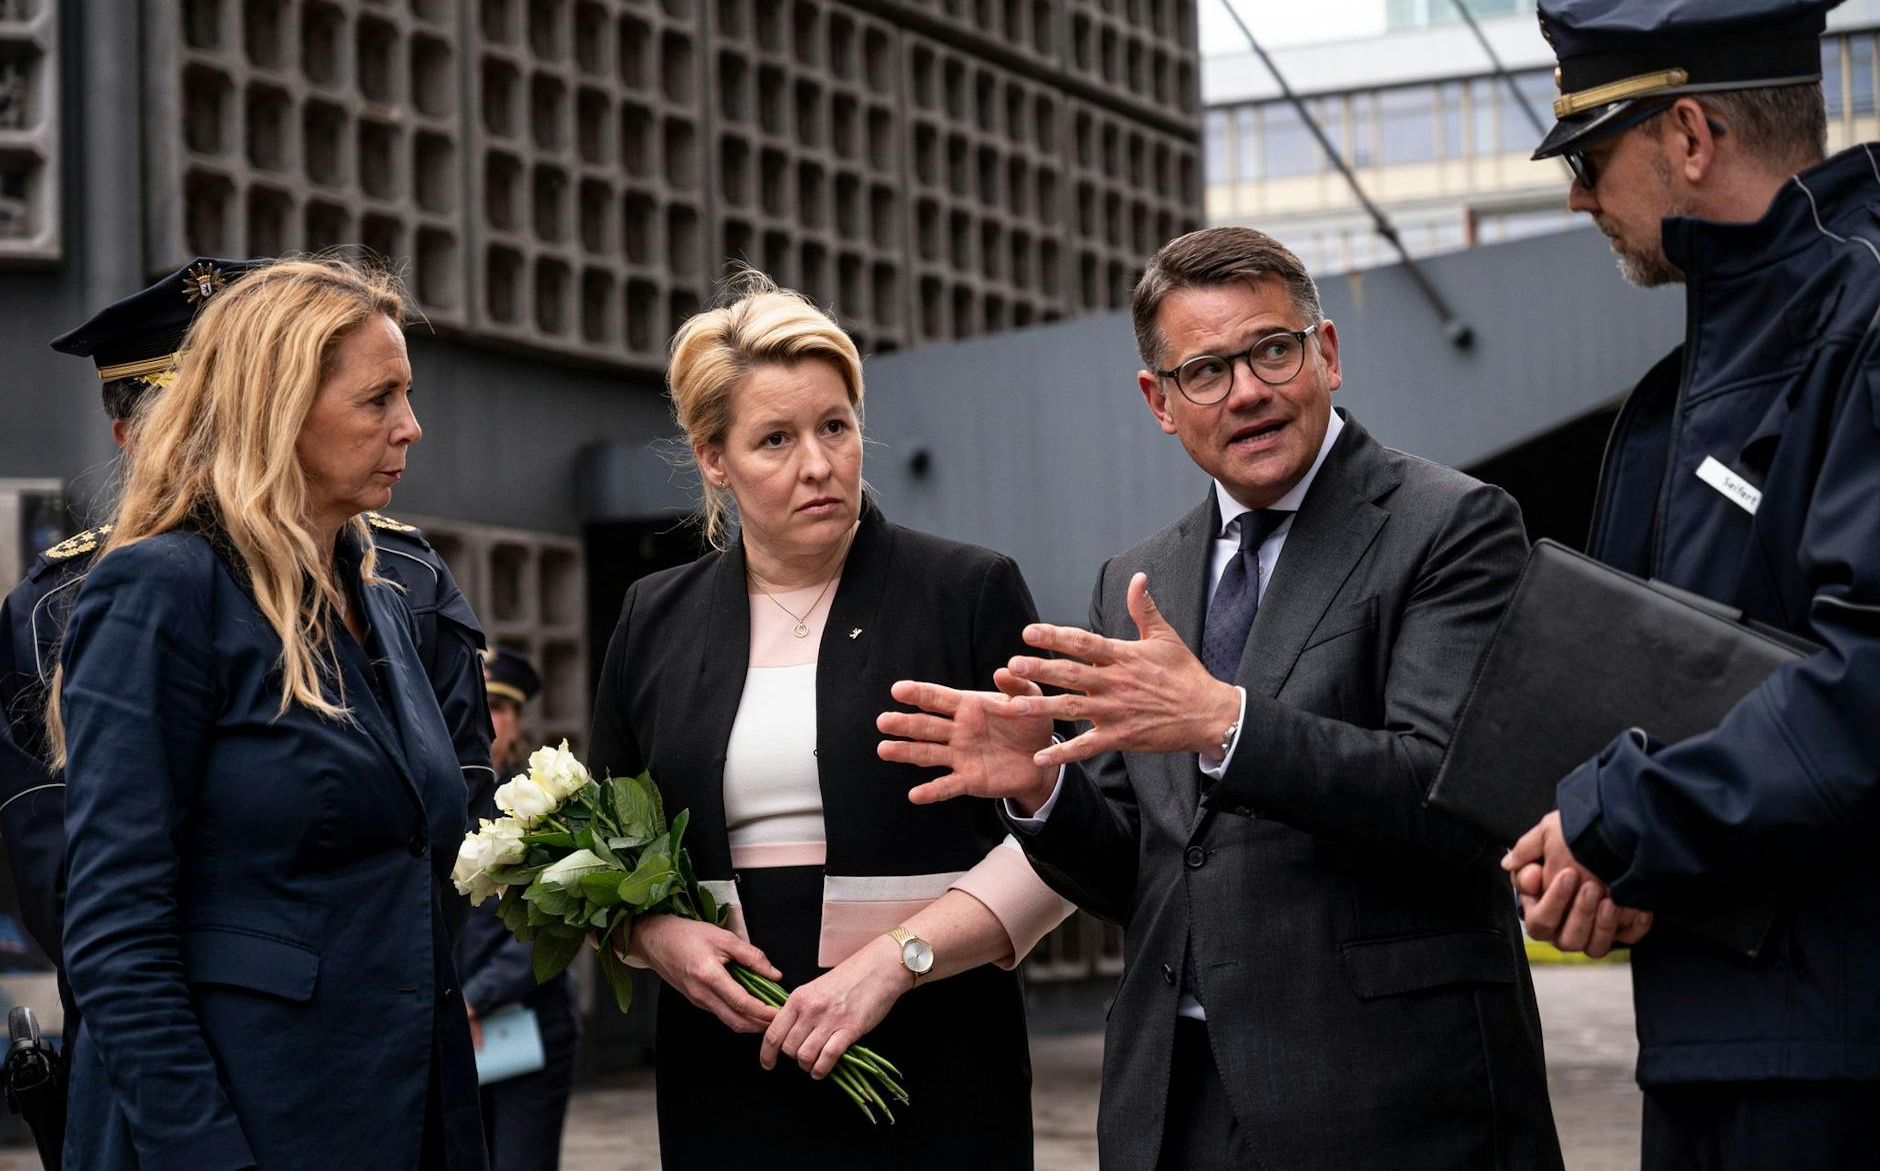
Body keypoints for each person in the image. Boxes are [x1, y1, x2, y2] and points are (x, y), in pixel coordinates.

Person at [880, 228, 1562, 1169]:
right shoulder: (1139, 577)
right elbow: (1139, 871)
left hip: (1391, 1099)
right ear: (1160, 402)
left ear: (1326, 353)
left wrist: (1223, 724)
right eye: (1205, 371)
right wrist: (1040, 793)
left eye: (1272, 350)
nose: (1246, 391)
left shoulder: (1452, 526)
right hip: (1176, 1103)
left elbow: (1449, 796)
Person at [1506, 0, 1880, 1168]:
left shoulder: (1858, 326)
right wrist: (1616, 844)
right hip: (1726, 1030)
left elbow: (1865, 680)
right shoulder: (1702, 378)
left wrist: (1619, 823)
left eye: (1589, 154)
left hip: (1838, 1052)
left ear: (1685, 134)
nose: (1574, 196)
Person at [587, 276, 1072, 1169]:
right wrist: (651, 935)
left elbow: (1070, 840)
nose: (819, 464)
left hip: (934, 1043)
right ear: (713, 458)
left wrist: (897, 959)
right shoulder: (652, 617)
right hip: (727, 1056)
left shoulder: (967, 592)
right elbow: (605, 851)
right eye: (775, 439)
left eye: (835, 427)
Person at [52, 258, 486, 1168]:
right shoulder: (163, 588)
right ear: (276, 406)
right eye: (379, 400)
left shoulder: (378, 597)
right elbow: (116, 938)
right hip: (241, 1124)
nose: (411, 426)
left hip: (402, 1115)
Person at [457, 647, 580, 1170]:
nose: (489, 720)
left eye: (500, 708)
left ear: (516, 719)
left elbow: (552, 923)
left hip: (523, 1022)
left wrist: (473, 999)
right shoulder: (439, 793)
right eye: (478, 704)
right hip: (452, 1025)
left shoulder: (540, 804)